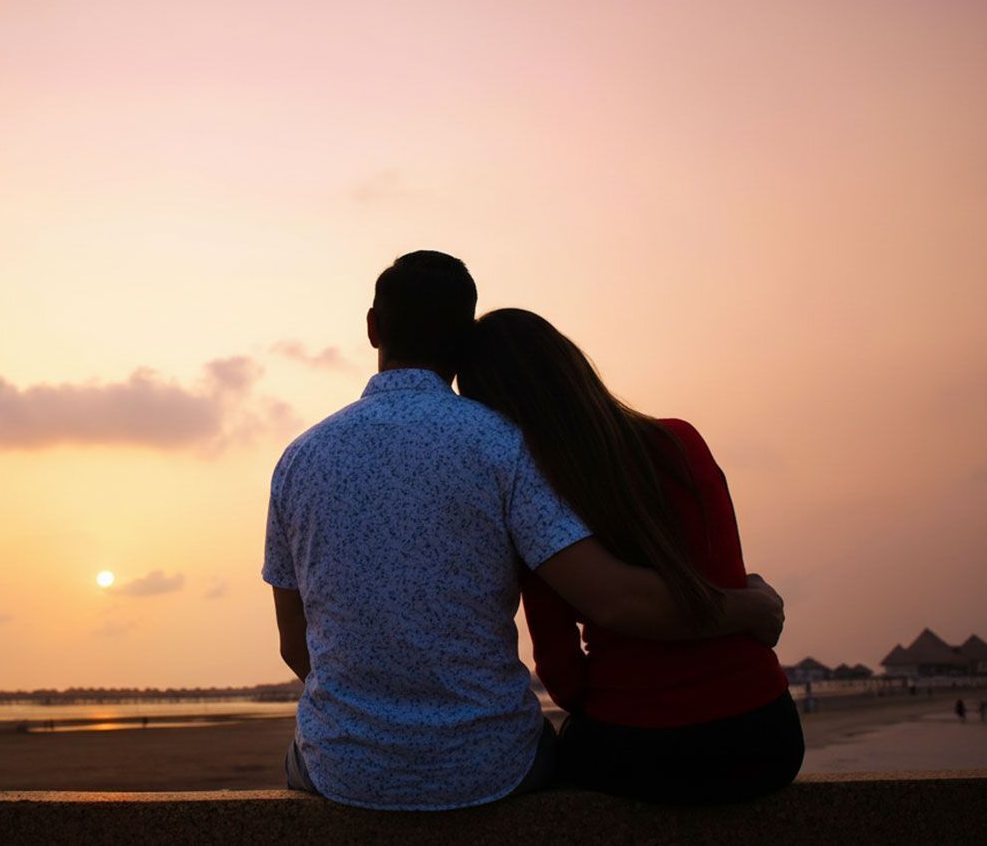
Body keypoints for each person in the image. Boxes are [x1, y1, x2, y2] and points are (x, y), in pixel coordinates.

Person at [266, 251, 786, 811]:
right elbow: (611, 598)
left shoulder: (298, 459)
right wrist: (750, 608)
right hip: (490, 763)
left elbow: (297, 648)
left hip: (349, 768)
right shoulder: (505, 446)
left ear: (373, 327)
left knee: (305, 763)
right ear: (464, 338)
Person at [457, 307, 802, 804]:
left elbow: (561, 672)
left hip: (639, 747)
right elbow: (719, 583)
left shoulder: (537, 495)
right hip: (764, 735)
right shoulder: (678, 442)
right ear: (570, 364)